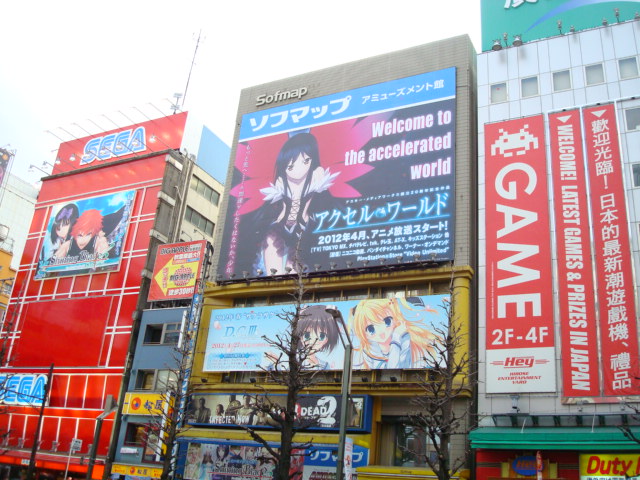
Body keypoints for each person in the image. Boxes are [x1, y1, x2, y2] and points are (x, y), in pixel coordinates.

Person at [252, 132, 338, 274]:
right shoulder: (279, 191)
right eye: (290, 165)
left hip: (305, 245)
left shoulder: (318, 187)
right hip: (281, 236)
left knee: (294, 253)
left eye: (305, 161)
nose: (298, 169)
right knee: (272, 238)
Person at [348, 297, 438, 369]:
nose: (381, 332)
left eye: (387, 321)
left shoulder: (404, 337)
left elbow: (400, 367)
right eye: (371, 329)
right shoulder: (370, 349)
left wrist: (397, 337)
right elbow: (391, 369)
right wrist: (396, 338)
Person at [296, 305, 340, 369]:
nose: (313, 341)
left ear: (326, 340)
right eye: (307, 335)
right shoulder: (295, 362)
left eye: (322, 336)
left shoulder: (325, 365)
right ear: (301, 338)